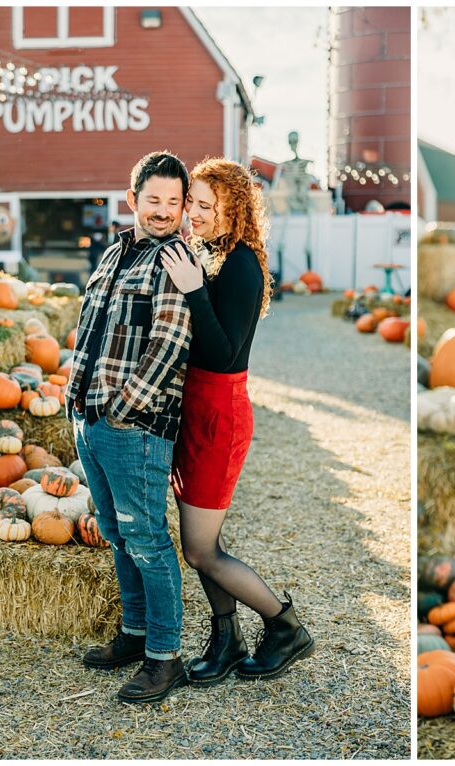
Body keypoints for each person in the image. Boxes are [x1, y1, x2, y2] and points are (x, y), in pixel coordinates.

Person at [159, 157, 314, 686]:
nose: (193, 214)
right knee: (196, 543)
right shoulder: (213, 253)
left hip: (219, 415)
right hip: (196, 408)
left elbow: (224, 355)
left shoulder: (243, 264)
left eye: (206, 205)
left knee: (203, 548)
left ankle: (285, 627)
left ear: (233, 208)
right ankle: (226, 641)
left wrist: (193, 291)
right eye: (192, 203)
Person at [66, 151, 193, 703]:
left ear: (184, 206)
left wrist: (123, 406)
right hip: (88, 418)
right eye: (154, 200)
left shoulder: (175, 259)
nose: (163, 211)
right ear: (133, 199)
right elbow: (89, 326)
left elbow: (171, 343)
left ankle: (165, 657)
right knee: (117, 535)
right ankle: (135, 635)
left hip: (134, 425)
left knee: (147, 540)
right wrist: (78, 401)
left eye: (173, 201)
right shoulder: (114, 250)